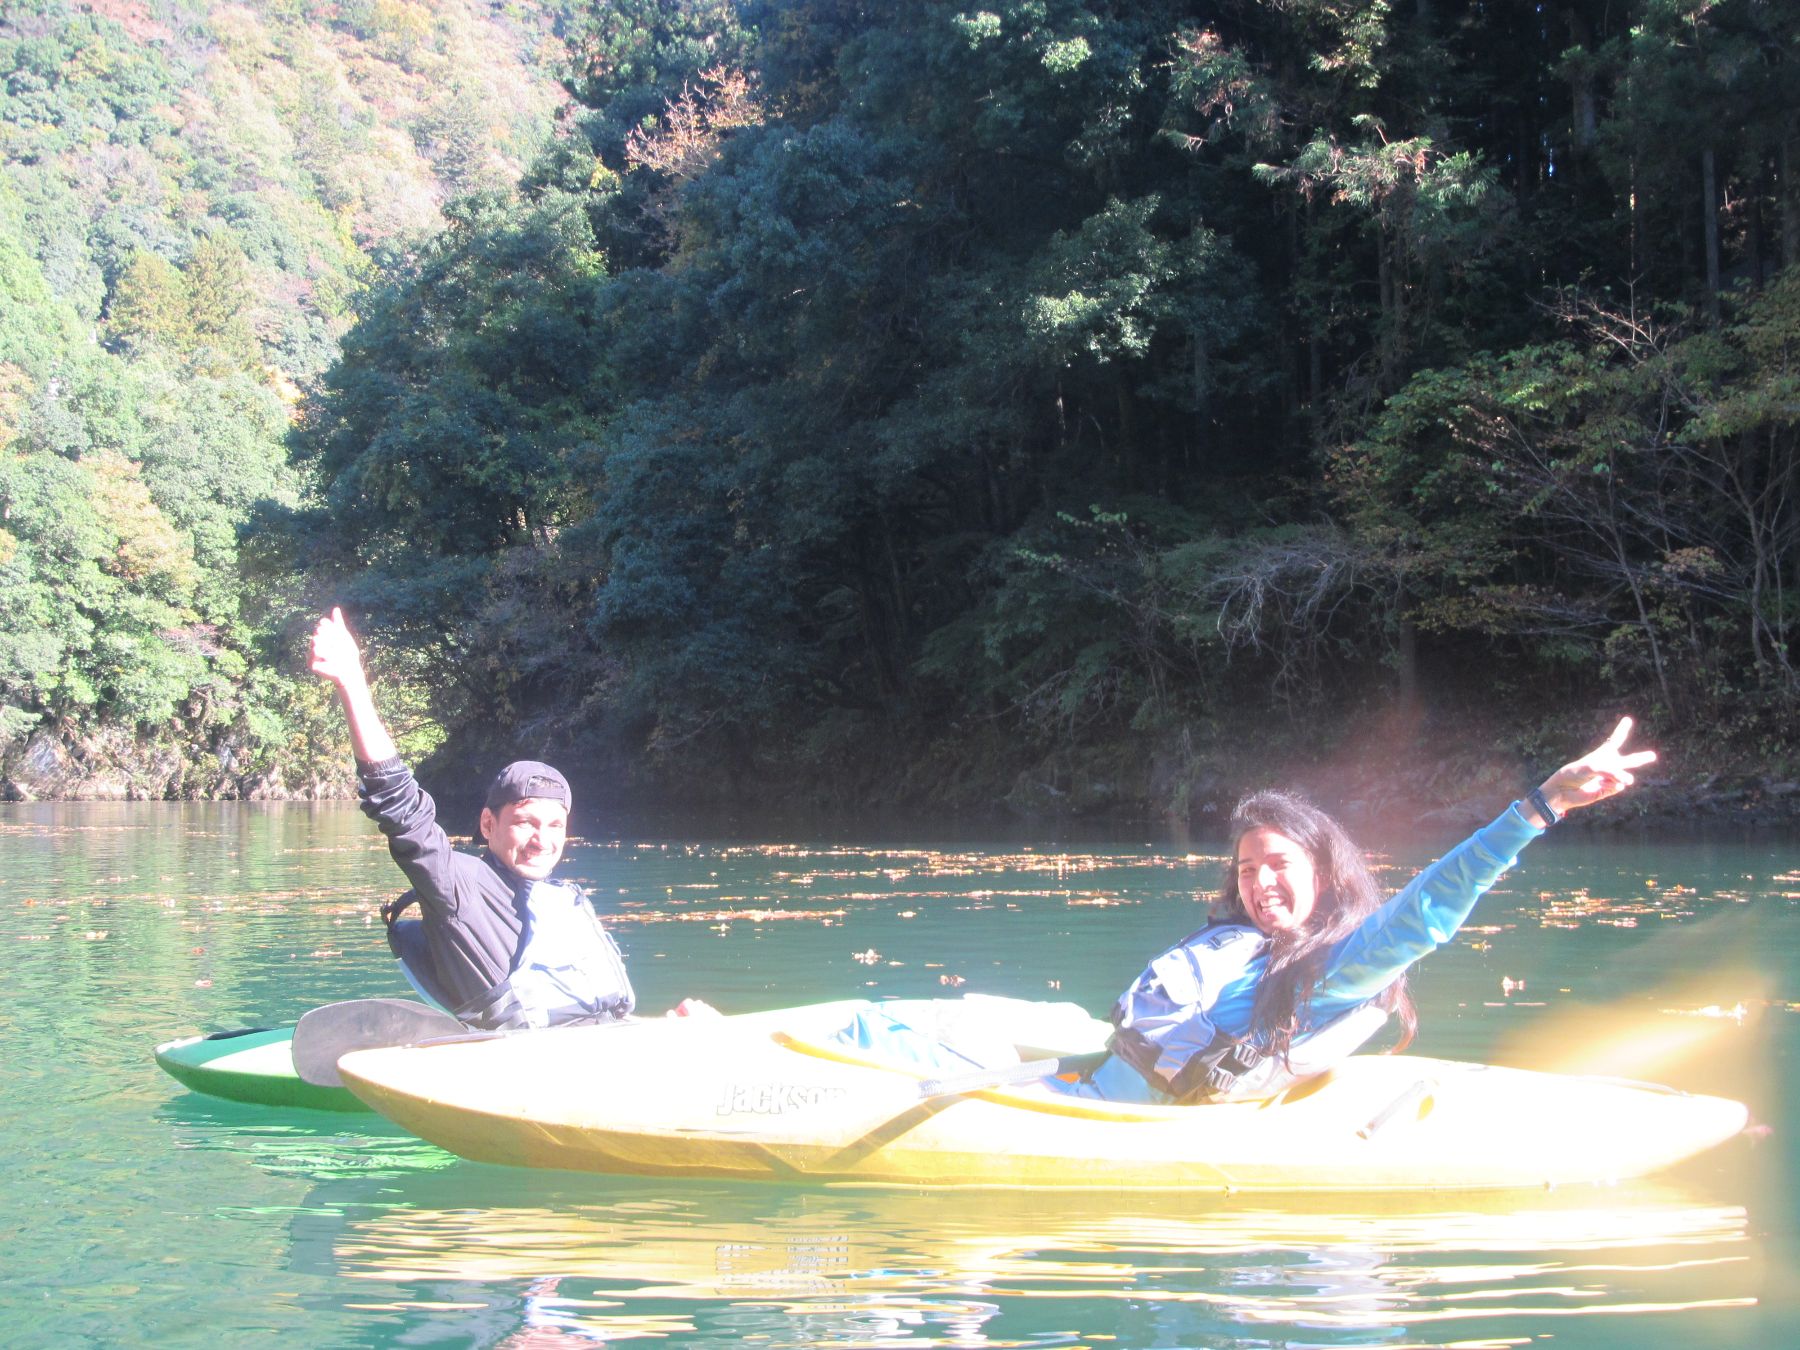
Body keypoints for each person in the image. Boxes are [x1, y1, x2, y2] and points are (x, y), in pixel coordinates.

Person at [1061, 716, 1657, 1103]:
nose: (1260, 883)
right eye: (1246, 870)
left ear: (1321, 875)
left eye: (1279, 864)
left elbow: (1425, 910)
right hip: (1093, 1088)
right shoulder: (1239, 945)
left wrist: (1541, 805)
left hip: (1124, 1120)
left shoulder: (1331, 970)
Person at [310, 607, 710, 1030]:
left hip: (615, 1044)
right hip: (535, 1062)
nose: (542, 840)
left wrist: (668, 1027)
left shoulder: (562, 900)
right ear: (488, 825)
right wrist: (353, 684)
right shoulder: (457, 887)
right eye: (525, 822)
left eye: (554, 826)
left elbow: (605, 1020)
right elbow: (401, 808)